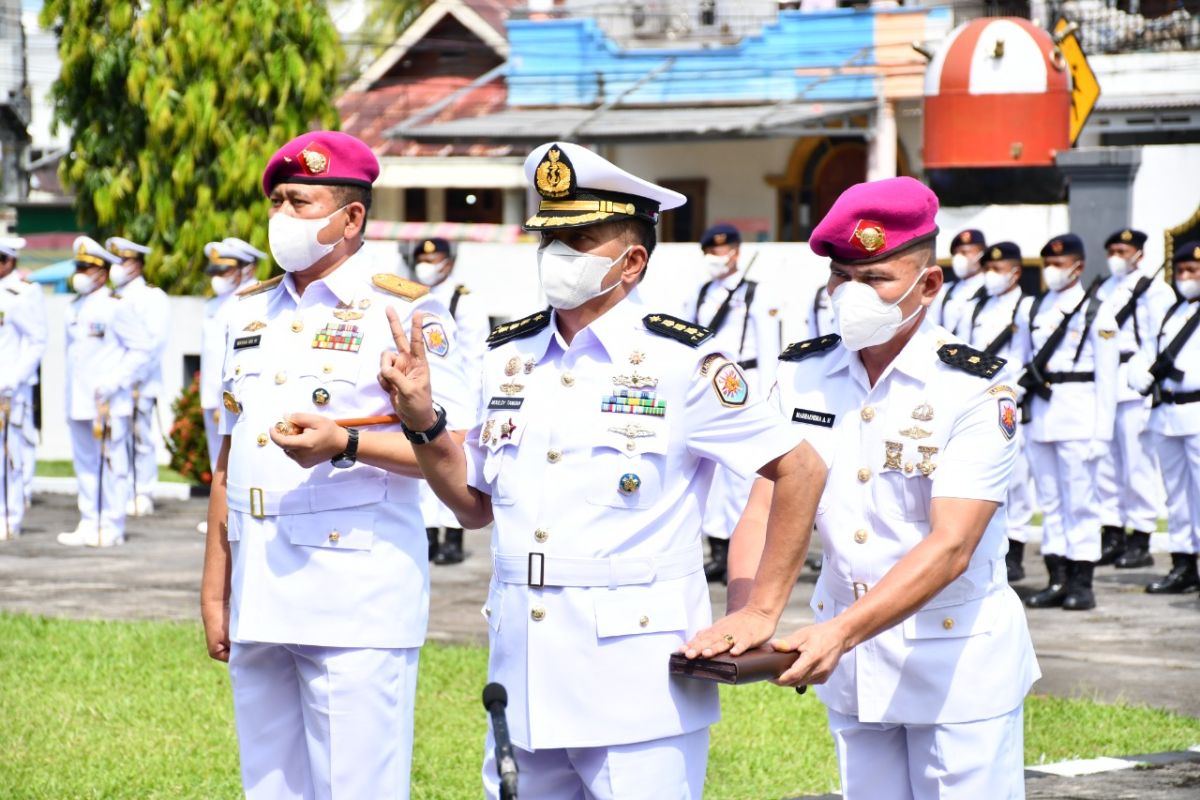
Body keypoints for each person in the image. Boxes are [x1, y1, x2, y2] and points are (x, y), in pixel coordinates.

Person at [378, 141, 823, 799]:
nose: (556, 254)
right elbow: (473, 503)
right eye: (549, 237)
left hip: (635, 678)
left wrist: (762, 608)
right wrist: (422, 420)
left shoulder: (682, 361)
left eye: (579, 238)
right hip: (524, 669)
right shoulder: (509, 354)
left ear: (631, 261)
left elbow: (799, 469)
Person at [685, 177, 1039, 799]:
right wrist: (752, 610)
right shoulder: (801, 375)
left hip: (954, 663)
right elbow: (765, 504)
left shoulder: (976, 389)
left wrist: (839, 633)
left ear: (927, 285)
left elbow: (953, 545)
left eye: (874, 279)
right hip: (851, 666)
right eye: (841, 277)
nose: (852, 295)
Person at [199, 130, 471, 800]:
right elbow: (230, 454)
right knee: (270, 787)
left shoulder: (403, 310)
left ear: (350, 218)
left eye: (299, 201)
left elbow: (452, 454)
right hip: (260, 578)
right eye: (277, 202)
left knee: (357, 788)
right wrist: (214, 586)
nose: (281, 217)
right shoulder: (245, 311)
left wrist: (344, 444)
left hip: (357, 590)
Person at [1019, 234, 1120, 611]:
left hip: (1080, 417)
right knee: (1051, 502)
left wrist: (1102, 432)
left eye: (1059, 264)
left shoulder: (1097, 311)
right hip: (1042, 418)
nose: (1051, 270)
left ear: (1077, 266)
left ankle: (1082, 581)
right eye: (1047, 263)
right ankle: (1056, 577)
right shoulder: (1035, 308)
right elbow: (1023, 360)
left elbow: (1108, 378)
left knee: (1081, 502)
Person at [682, 222, 781, 582]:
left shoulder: (756, 293)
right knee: (709, 467)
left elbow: (769, 345)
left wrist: (769, 395)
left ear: (736, 252)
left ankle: (744, 554)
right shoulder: (700, 293)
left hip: (744, 382)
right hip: (707, 384)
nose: (714, 258)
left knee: (741, 474)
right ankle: (718, 552)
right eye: (709, 252)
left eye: (720, 251)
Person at [57, 237, 155, 547]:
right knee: (85, 465)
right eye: (79, 267)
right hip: (80, 400)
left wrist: (115, 383)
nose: (81, 273)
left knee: (113, 465)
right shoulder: (74, 306)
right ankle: (89, 521)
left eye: (87, 267)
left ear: (102, 271)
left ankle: (111, 525)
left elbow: (141, 350)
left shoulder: (117, 307)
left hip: (109, 403)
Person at [1095, 228, 1175, 569]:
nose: (1116, 255)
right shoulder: (1104, 288)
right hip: (1105, 380)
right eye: (1112, 249)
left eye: (1122, 249)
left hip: (1135, 379)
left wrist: (1147, 373)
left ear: (1139, 253)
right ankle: (1112, 533)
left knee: (1136, 464)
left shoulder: (1155, 290)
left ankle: (1140, 537)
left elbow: (1162, 336)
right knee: (1106, 465)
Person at [409, 236, 488, 564]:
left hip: (459, 397)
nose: (426, 266)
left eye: (435, 259)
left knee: (454, 467)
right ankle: (428, 535)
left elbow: (476, 355)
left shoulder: (463, 300)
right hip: (424, 394)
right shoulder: (412, 298)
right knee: (423, 469)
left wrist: (473, 404)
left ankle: (453, 538)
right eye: (422, 260)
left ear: (449, 263)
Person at [1127, 240, 1200, 595]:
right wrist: (1137, 371)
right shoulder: (1173, 312)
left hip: (1198, 411)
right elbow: (1148, 349)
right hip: (1168, 412)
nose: (1187, 278)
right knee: (1177, 495)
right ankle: (1183, 563)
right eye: (1182, 271)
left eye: (1194, 272)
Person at [966, 242, 1036, 582]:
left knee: (1017, 482)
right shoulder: (977, 307)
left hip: (1011, 401)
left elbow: (1027, 356)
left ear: (1015, 272)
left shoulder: (1027, 308)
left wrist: (1014, 388)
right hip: (978, 401)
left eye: (998, 270)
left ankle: (1017, 550)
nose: (991, 276)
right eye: (988, 270)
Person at [106, 236, 170, 517]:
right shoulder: (110, 297)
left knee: (141, 439)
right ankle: (122, 491)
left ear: (137, 264)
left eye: (123, 261)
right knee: (117, 440)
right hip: (115, 382)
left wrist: (135, 378)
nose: (117, 267)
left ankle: (143, 491)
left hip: (140, 382)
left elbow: (155, 343)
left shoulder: (152, 296)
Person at [200, 238, 265, 475]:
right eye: (216, 270)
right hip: (211, 393)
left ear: (247, 268)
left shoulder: (255, 301)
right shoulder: (213, 305)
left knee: (241, 462)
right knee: (217, 464)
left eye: (225, 270)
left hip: (238, 393)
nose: (218, 276)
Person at [0, 237, 46, 539]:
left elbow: (36, 341)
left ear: (10, 261)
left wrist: (13, 380)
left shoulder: (20, 294)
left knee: (12, 455)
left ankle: (9, 518)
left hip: (9, 391)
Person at [932, 228, 986, 335]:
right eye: (956, 253)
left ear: (982, 254)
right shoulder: (944, 291)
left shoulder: (992, 290)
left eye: (965, 252)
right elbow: (933, 326)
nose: (959, 257)